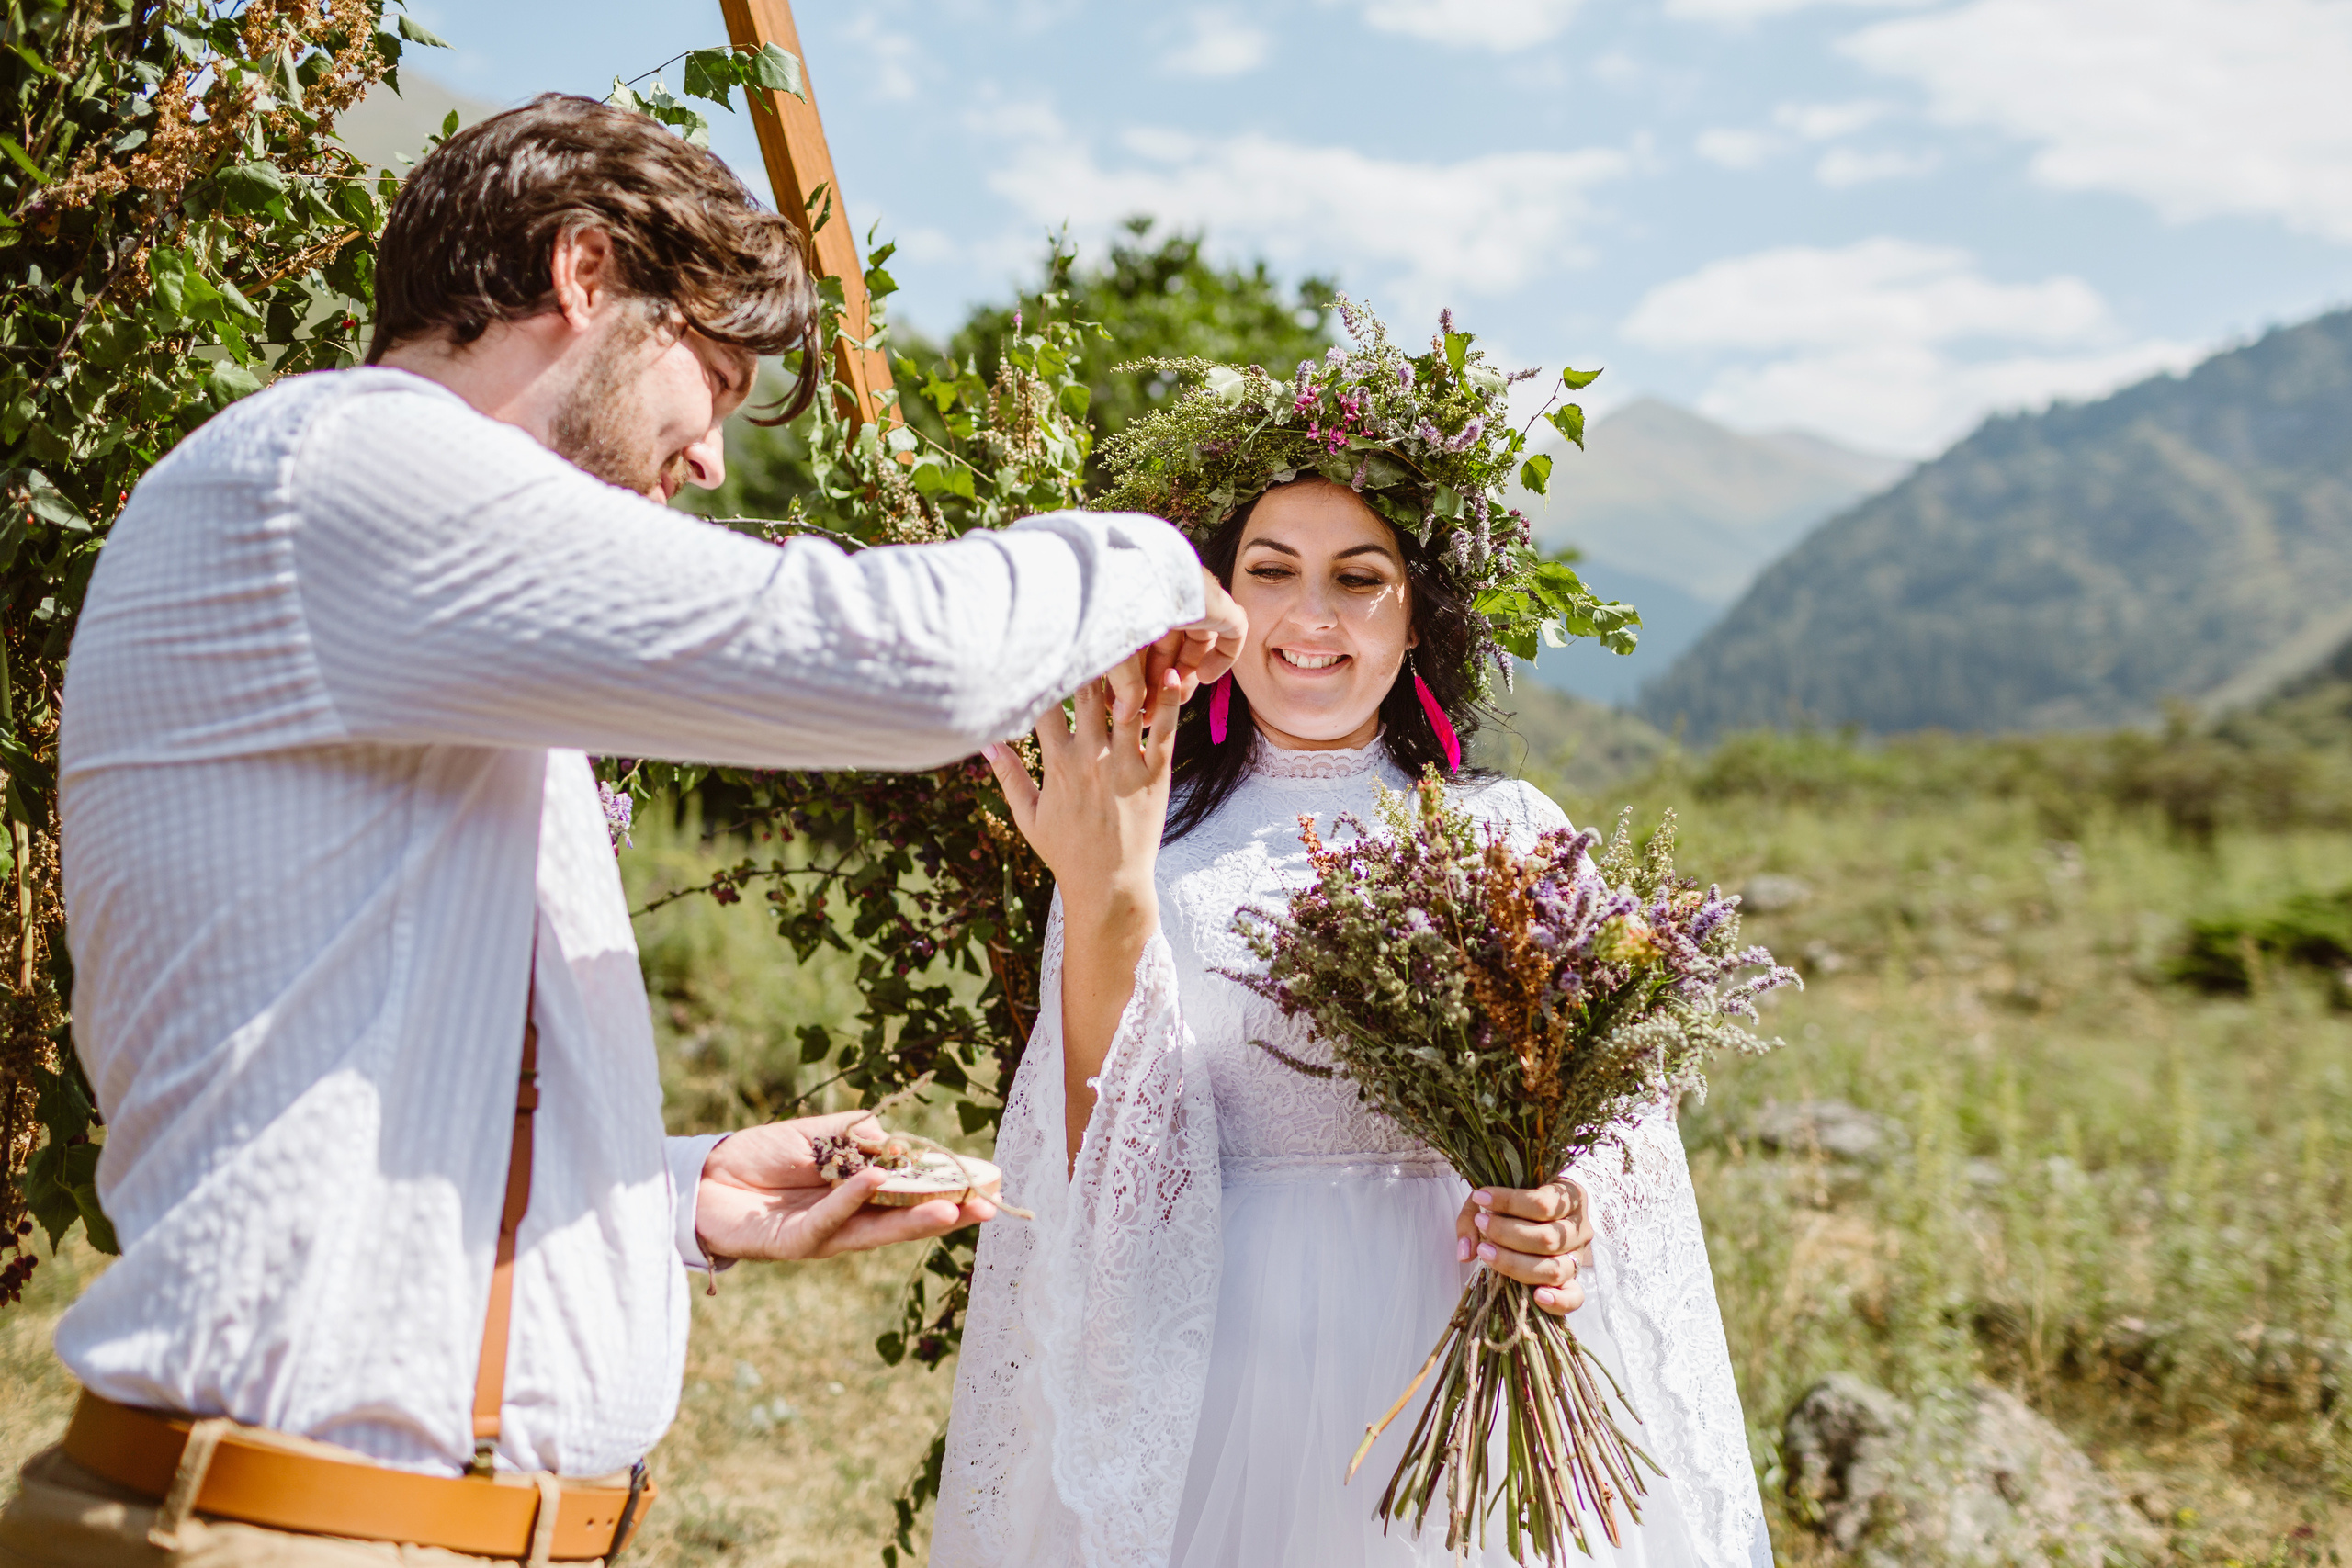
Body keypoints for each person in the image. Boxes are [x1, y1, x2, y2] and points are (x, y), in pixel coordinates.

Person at [0, 95, 1242, 1568]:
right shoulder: (342, 474)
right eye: (710, 379)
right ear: (583, 273)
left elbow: (344, 1085)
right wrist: (1150, 561)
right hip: (287, 1532)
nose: (712, 457)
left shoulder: (424, 612)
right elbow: (906, 665)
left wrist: (670, 1197)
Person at [932, 306, 1769, 1568]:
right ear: (1218, 602)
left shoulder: (1514, 832)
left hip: (1465, 1347)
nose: (1310, 616)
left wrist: (1567, 1207)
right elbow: (1093, 1142)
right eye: (1270, 571)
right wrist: (1104, 890)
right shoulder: (1143, 836)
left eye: (1359, 578)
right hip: (1225, 1371)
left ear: (1418, 615)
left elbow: (1619, 1129)